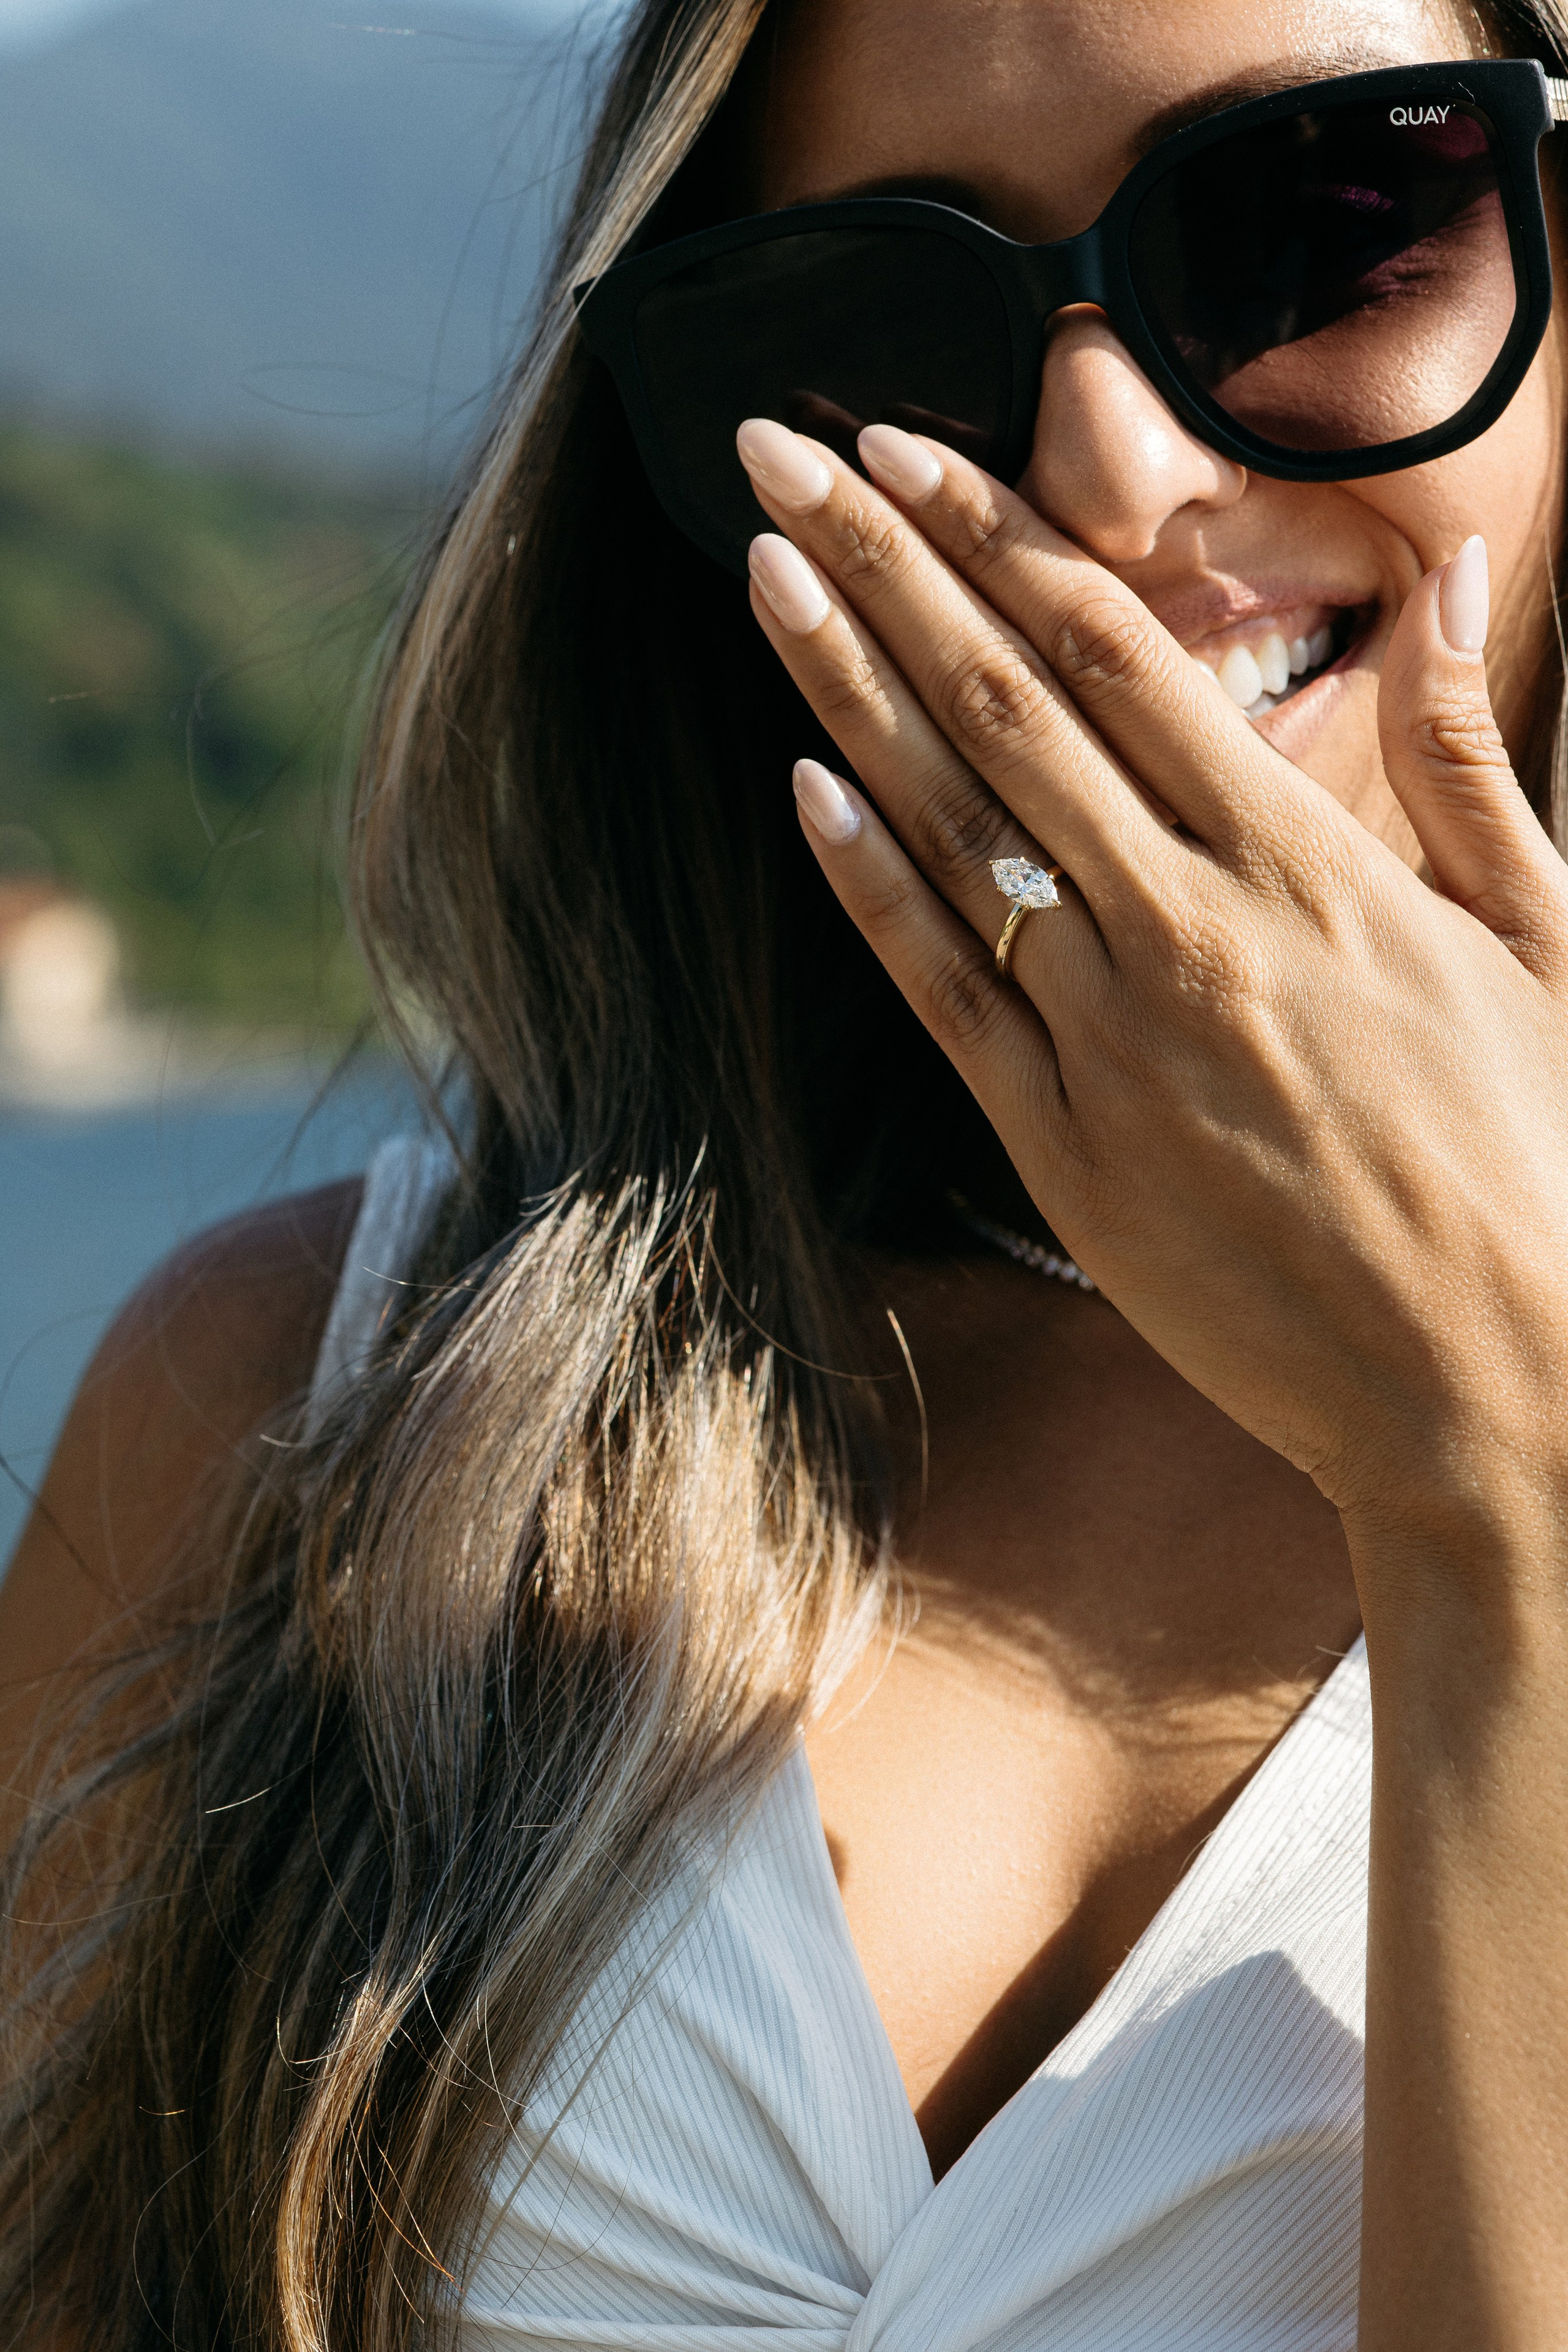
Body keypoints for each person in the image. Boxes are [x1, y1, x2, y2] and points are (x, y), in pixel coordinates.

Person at [4, 0, 1568, 2342]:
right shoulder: (289, 1425)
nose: (1111, 474)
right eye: (880, 336)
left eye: (1321, 230)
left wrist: (1513, 1485)